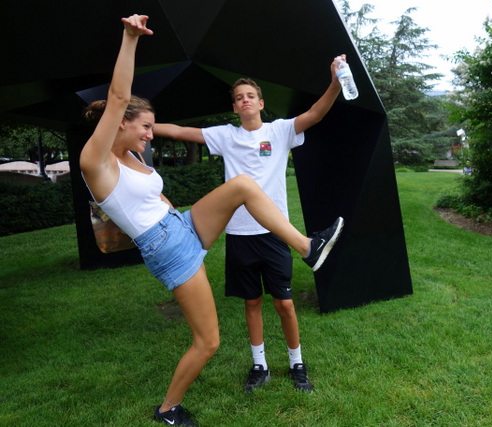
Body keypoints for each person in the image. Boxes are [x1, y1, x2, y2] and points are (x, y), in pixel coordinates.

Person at [79, 15, 343, 426]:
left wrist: (174, 212)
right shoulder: (96, 162)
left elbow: (152, 194)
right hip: (166, 248)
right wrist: (130, 38)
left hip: (180, 225)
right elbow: (117, 97)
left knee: (243, 185)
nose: (150, 136)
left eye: (151, 128)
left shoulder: (130, 156)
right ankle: (168, 410)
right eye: (145, 127)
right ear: (121, 122)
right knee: (208, 342)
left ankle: (309, 247)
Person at [153, 56, 345, 393]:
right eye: (239, 98)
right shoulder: (226, 136)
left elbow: (315, 114)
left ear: (260, 103)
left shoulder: (279, 130)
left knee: (284, 303)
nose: (245, 101)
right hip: (239, 235)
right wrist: (142, 126)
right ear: (235, 107)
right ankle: (260, 365)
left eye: (250, 96)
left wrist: (335, 84)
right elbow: (181, 131)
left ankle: (297, 363)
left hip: (274, 233)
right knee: (252, 302)